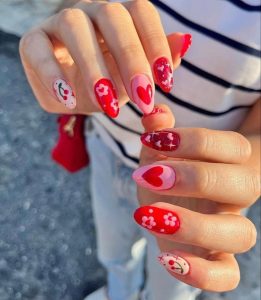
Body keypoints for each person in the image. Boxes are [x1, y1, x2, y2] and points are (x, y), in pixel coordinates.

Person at [19, 1, 261, 299]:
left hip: (197, 188)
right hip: (107, 146)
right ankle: (118, 293)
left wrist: (250, 168)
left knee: (171, 285)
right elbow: (81, 10)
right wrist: (69, 34)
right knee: (113, 254)